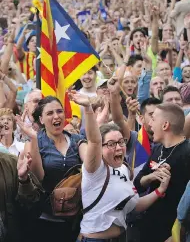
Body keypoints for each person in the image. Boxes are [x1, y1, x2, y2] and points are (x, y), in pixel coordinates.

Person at [67, 90, 170, 242]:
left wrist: (160, 191)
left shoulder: (124, 169)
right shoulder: (95, 169)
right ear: (100, 149)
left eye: (121, 142)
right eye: (111, 144)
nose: (119, 147)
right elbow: (94, 140)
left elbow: (134, 205)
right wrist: (88, 109)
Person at [15, 95, 87, 242]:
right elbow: (38, 177)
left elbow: (92, 167)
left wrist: (89, 110)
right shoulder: (34, 142)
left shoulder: (77, 140)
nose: (56, 116)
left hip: (77, 220)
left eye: (59, 111)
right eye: (49, 113)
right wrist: (33, 138)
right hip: (45, 221)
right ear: (41, 119)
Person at [134, 103, 190, 242]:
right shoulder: (157, 149)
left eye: (153, 119)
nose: (150, 123)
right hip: (150, 226)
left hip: (174, 231)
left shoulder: (187, 153)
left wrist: (178, 234)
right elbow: (138, 182)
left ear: (165, 125)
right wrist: (150, 177)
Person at [108, 77, 162, 176]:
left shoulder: (170, 140)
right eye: (151, 115)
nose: (155, 119)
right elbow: (119, 120)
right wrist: (113, 93)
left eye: (159, 115)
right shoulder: (134, 139)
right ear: (141, 119)